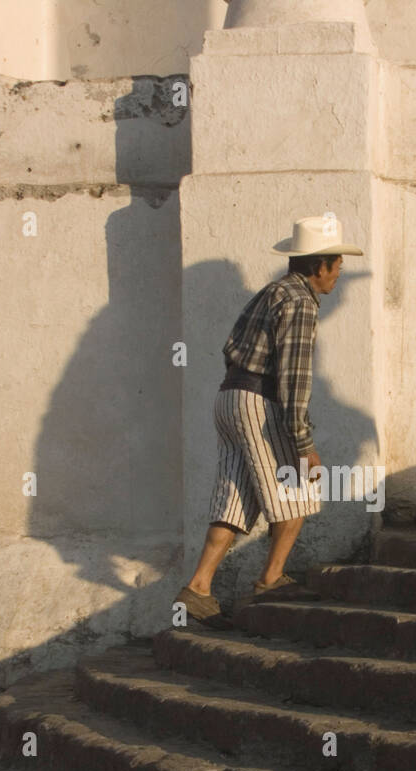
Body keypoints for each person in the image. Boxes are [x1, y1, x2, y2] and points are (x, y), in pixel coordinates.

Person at [174, 216, 363, 629]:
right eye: (337, 267)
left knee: (236, 496)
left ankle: (198, 587)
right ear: (319, 266)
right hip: (260, 401)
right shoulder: (300, 303)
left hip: (230, 397)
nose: (338, 276)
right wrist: (303, 443)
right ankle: (271, 579)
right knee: (298, 488)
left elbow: (233, 348)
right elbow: (295, 379)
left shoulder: (274, 291)